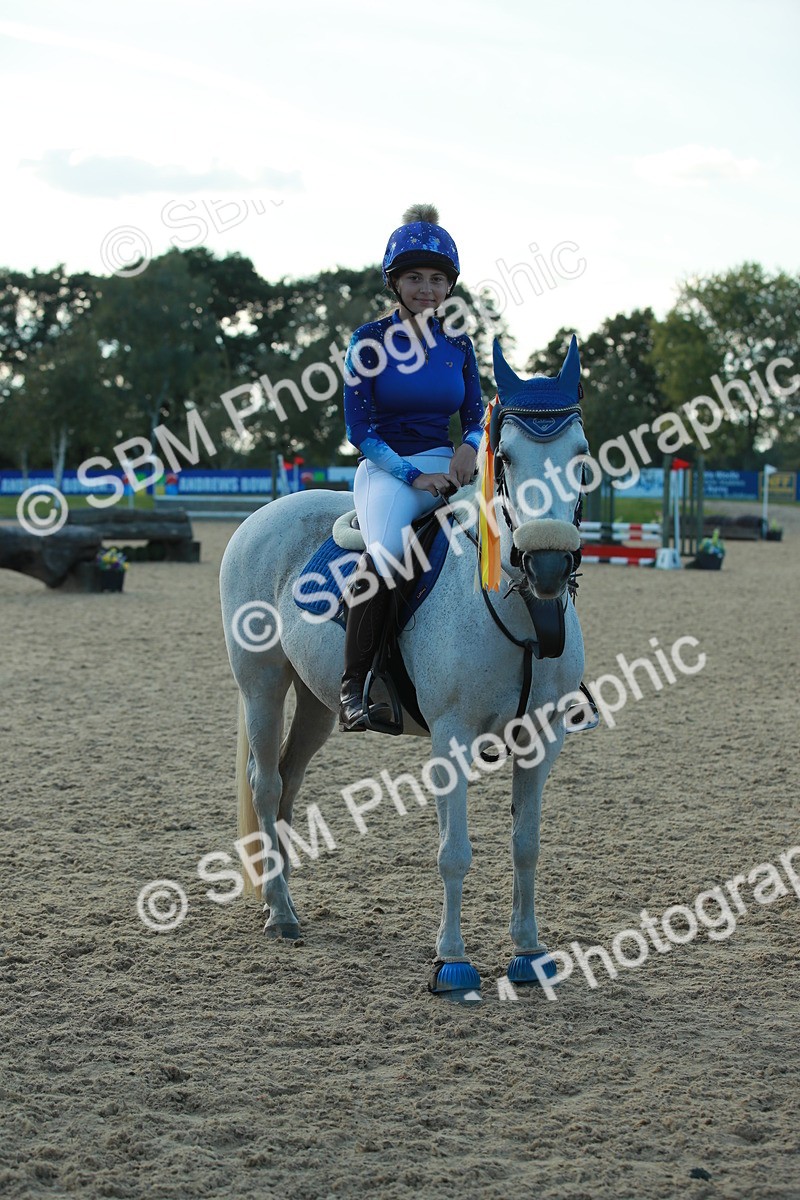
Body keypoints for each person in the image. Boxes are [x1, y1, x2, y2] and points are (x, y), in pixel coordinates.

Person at [339, 204, 485, 732]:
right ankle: (356, 684)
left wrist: (470, 444)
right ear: (395, 284)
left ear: (450, 287)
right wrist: (412, 475)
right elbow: (360, 432)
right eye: (416, 278)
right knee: (387, 557)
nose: (428, 288)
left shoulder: (459, 346)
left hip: (451, 470)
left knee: (513, 535)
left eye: (438, 279)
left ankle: (537, 679)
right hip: (388, 472)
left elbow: (475, 414)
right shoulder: (369, 342)